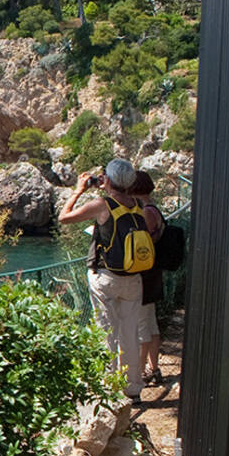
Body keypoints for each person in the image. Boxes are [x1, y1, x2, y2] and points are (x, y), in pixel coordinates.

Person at [56, 158, 163, 401]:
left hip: (106, 277)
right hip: (133, 278)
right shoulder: (137, 205)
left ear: (109, 180)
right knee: (129, 332)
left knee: (106, 332)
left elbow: (64, 217)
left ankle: (108, 387)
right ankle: (132, 389)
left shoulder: (103, 205)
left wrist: (79, 190)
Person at [128, 171, 165, 385]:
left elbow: (144, 242)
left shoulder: (146, 212)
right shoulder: (152, 208)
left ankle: (139, 375)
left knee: (142, 325)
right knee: (150, 323)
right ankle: (154, 368)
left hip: (144, 274)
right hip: (152, 272)